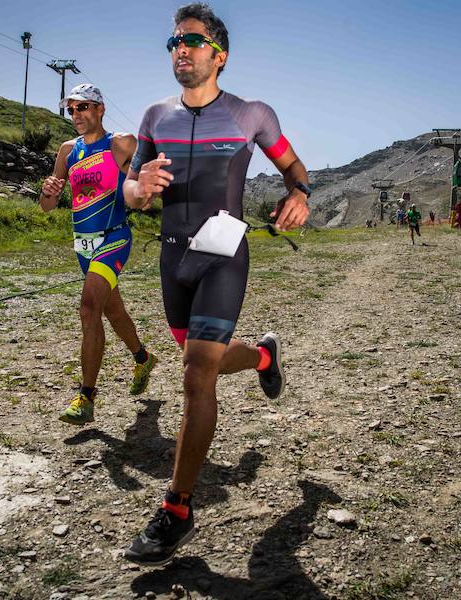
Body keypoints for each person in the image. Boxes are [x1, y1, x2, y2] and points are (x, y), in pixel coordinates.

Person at [121, 3, 310, 566]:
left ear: (218, 55)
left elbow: (295, 169)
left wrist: (298, 196)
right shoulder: (155, 117)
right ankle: (260, 358)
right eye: (174, 42)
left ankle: (176, 509)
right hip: (172, 256)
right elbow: (129, 191)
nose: (180, 48)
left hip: (224, 249)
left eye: (192, 41)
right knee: (198, 358)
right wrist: (141, 188)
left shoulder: (251, 114)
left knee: (196, 371)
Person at [39, 83, 158, 426]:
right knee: (113, 311)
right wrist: (47, 192)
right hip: (82, 243)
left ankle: (86, 397)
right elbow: (47, 206)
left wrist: (142, 189)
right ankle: (142, 357)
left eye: (83, 107)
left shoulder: (121, 143)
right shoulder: (67, 150)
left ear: (100, 109)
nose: (76, 115)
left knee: (89, 309)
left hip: (114, 237)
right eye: (71, 109)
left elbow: (140, 187)